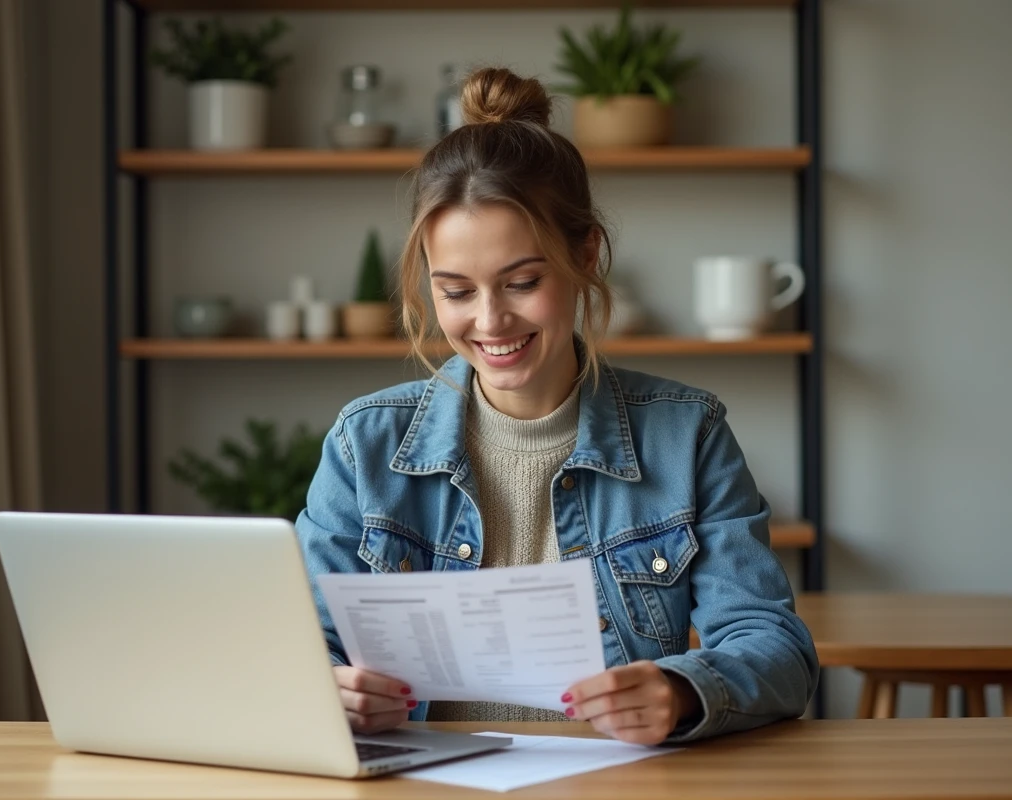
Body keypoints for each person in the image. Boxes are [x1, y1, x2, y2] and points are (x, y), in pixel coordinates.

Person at [296, 67, 818, 746]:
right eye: (455, 291)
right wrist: (329, 689)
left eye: (522, 282)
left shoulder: (687, 434)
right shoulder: (363, 443)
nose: (490, 321)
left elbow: (775, 645)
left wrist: (682, 692)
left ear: (586, 254)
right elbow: (303, 648)